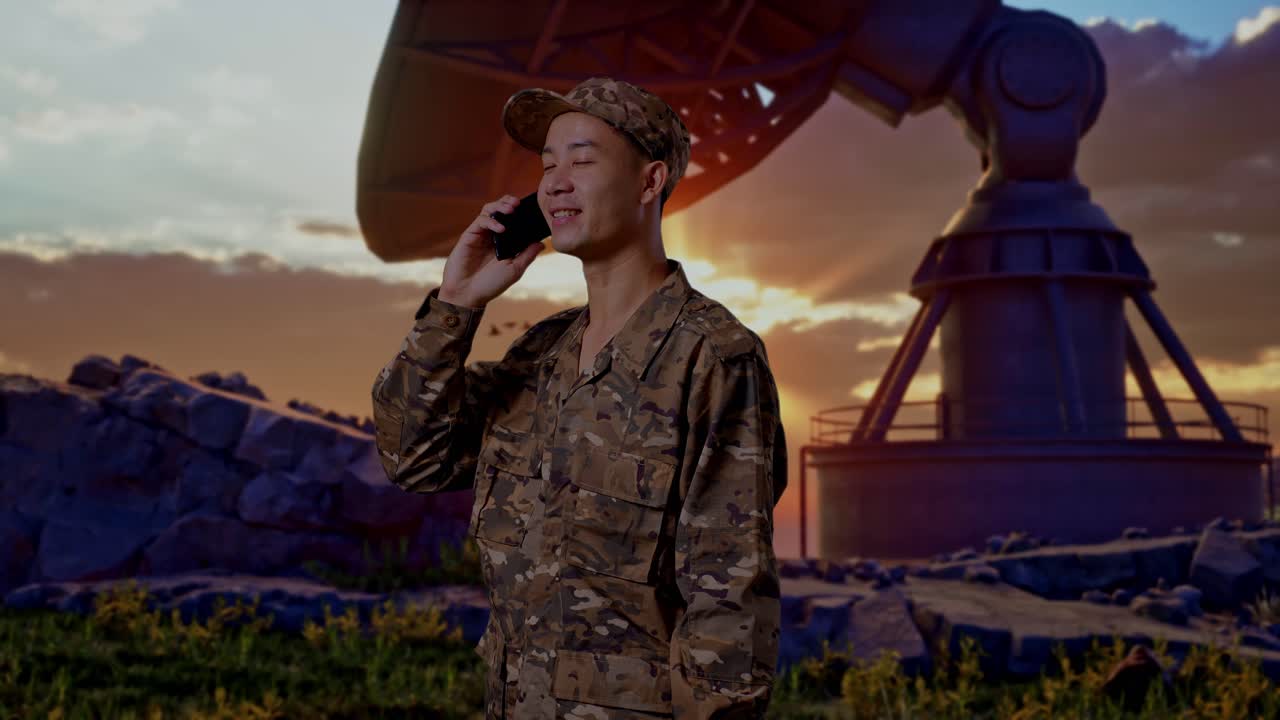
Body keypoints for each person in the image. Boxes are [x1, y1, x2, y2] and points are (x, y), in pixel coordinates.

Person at [371, 76, 787, 719]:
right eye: (547, 165)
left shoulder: (714, 357)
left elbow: (728, 600)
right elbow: (414, 457)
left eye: (583, 159)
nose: (556, 182)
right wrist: (455, 304)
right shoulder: (540, 355)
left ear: (650, 183)